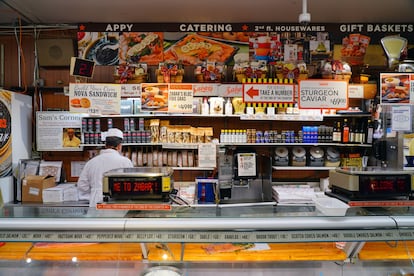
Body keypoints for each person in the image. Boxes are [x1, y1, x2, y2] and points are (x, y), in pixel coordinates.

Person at [77, 128, 133, 207]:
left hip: (96, 203)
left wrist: (95, 192)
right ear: (119, 146)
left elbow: (82, 186)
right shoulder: (125, 162)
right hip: (118, 202)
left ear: (105, 145)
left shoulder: (91, 162)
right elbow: (131, 185)